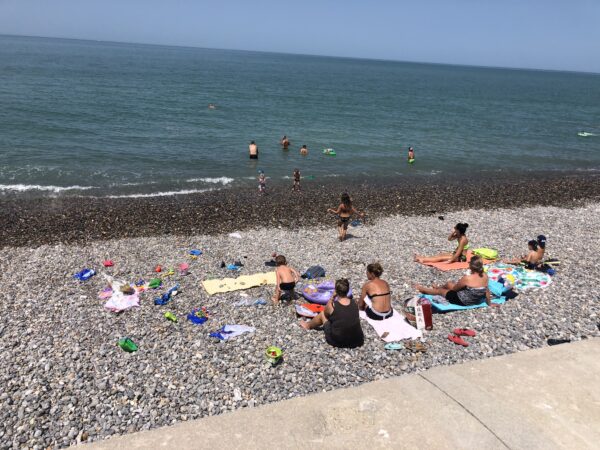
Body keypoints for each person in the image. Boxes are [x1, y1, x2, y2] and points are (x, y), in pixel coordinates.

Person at [299, 278, 364, 348]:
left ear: (336, 291)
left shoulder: (333, 305)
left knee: (322, 314)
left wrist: (332, 297)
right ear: (347, 290)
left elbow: (326, 314)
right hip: (357, 340)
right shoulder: (355, 303)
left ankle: (308, 325)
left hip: (338, 341)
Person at [414, 256, 498, 307]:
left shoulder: (468, 278)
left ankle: (424, 290)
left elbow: (455, 289)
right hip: (476, 300)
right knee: (449, 284)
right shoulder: (485, 276)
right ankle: (437, 287)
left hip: (463, 301)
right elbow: (487, 291)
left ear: (471, 266)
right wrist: (489, 303)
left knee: (442, 291)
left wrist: (451, 288)